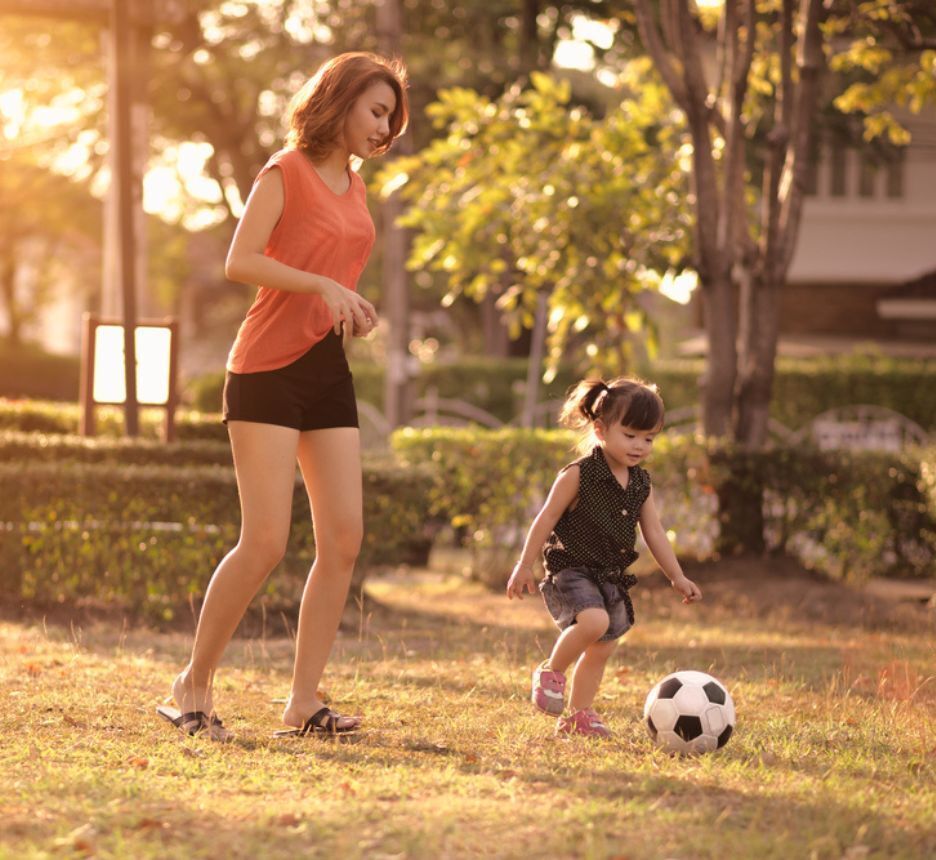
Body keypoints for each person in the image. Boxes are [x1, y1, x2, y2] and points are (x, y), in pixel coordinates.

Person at [157, 52, 409, 740]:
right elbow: (241, 259)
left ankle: (302, 702)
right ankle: (192, 685)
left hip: (326, 367)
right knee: (265, 539)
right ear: (343, 98)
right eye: (377, 111)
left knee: (344, 537)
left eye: (391, 119)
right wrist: (321, 286)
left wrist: (350, 304)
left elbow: (332, 273)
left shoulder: (355, 188)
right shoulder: (285, 170)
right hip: (266, 368)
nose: (385, 129)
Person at [506, 377, 702, 738]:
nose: (639, 446)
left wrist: (677, 576)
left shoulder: (641, 484)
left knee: (602, 648)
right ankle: (551, 672)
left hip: (609, 575)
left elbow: (654, 532)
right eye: (630, 435)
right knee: (594, 623)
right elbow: (545, 517)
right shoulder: (579, 475)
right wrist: (524, 565)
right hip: (572, 568)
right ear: (600, 429)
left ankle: (579, 715)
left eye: (648, 438)